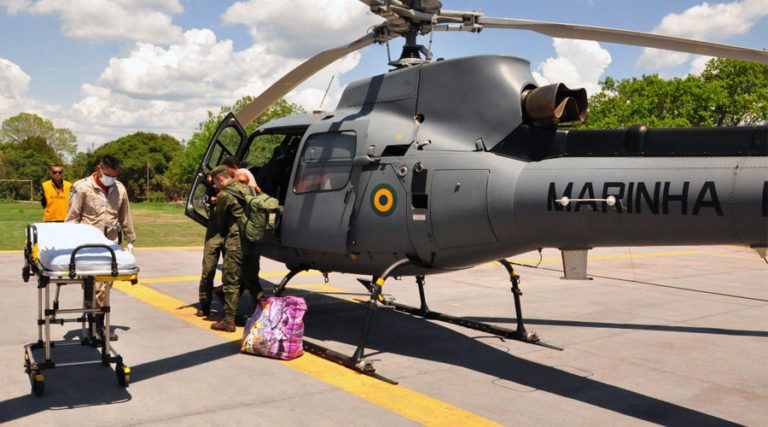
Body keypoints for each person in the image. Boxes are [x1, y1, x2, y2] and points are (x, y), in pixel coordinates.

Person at [66, 154, 136, 341]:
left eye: (114, 175)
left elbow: (125, 215)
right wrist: (71, 245)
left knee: (105, 286)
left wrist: (130, 240)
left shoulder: (119, 189)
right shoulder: (81, 187)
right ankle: (94, 326)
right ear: (99, 169)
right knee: (93, 287)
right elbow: (72, 218)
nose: (111, 179)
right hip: (87, 247)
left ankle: (98, 324)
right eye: (108, 175)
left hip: (110, 246)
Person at [208, 165, 262, 332]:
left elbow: (220, 221)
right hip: (253, 240)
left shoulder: (225, 194)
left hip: (236, 241)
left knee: (231, 280)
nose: (215, 188)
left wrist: (215, 204)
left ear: (220, 179)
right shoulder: (249, 189)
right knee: (252, 279)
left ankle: (228, 320)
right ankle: (262, 315)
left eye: (215, 184)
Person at [196, 173, 226, 317]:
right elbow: (200, 203)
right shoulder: (210, 193)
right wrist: (211, 201)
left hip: (230, 237)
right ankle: (204, 304)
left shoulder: (232, 193)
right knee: (208, 271)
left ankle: (227, 300)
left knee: (231, 273)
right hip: (213, 236)